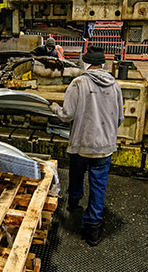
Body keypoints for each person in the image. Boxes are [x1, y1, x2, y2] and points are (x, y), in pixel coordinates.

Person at [51, 45, 124, 246]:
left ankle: (74, 202)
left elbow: (67, 116)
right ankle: (93, 230)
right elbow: (119, 118)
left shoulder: (78, 83)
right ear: (102, 64)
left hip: (82, 145)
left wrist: (55, 108)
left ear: (86, 63)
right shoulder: (115, 85)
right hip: (104, 148)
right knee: (98, 186)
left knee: (76, 174)